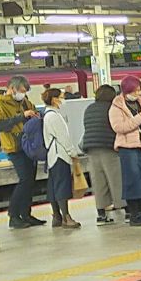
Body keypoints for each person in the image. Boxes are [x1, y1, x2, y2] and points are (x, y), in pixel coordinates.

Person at [0, 76, 44, 230]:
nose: (23, 94)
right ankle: (13, 216)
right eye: (21, 91)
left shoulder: (25, 102)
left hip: (29, 146)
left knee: (30, 180)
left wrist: (35, 114)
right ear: (12, 88)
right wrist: (22, 116)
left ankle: (26, 214)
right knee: (25, 179)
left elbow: (33, 112)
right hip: (14, 147)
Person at [110, 76, 141, 226]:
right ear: (126, 90)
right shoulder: (116, 107)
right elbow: (119, 128)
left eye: (139, 90)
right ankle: (134, 213)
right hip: (128, 148)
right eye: (135, 90)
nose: (138, 93)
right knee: (133, 181)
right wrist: (140, 118)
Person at [80, 83, 124, 224]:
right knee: (116, 180)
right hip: (108, 147)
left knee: (99, 182)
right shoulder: (112, 108)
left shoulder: (89, 109)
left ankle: (101, 214)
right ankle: (125, 208)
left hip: (91, 149)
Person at [40, 87, 80, 230]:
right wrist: (72, 152)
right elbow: (63, 137)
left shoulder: (47, 115)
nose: (63, 100)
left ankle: (56, 216)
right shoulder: (54, 116)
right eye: (62, 97)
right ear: (55, 99)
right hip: (60, 155)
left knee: (53, 186)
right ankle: (66, 217)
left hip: (52, 155)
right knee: (62, 186)